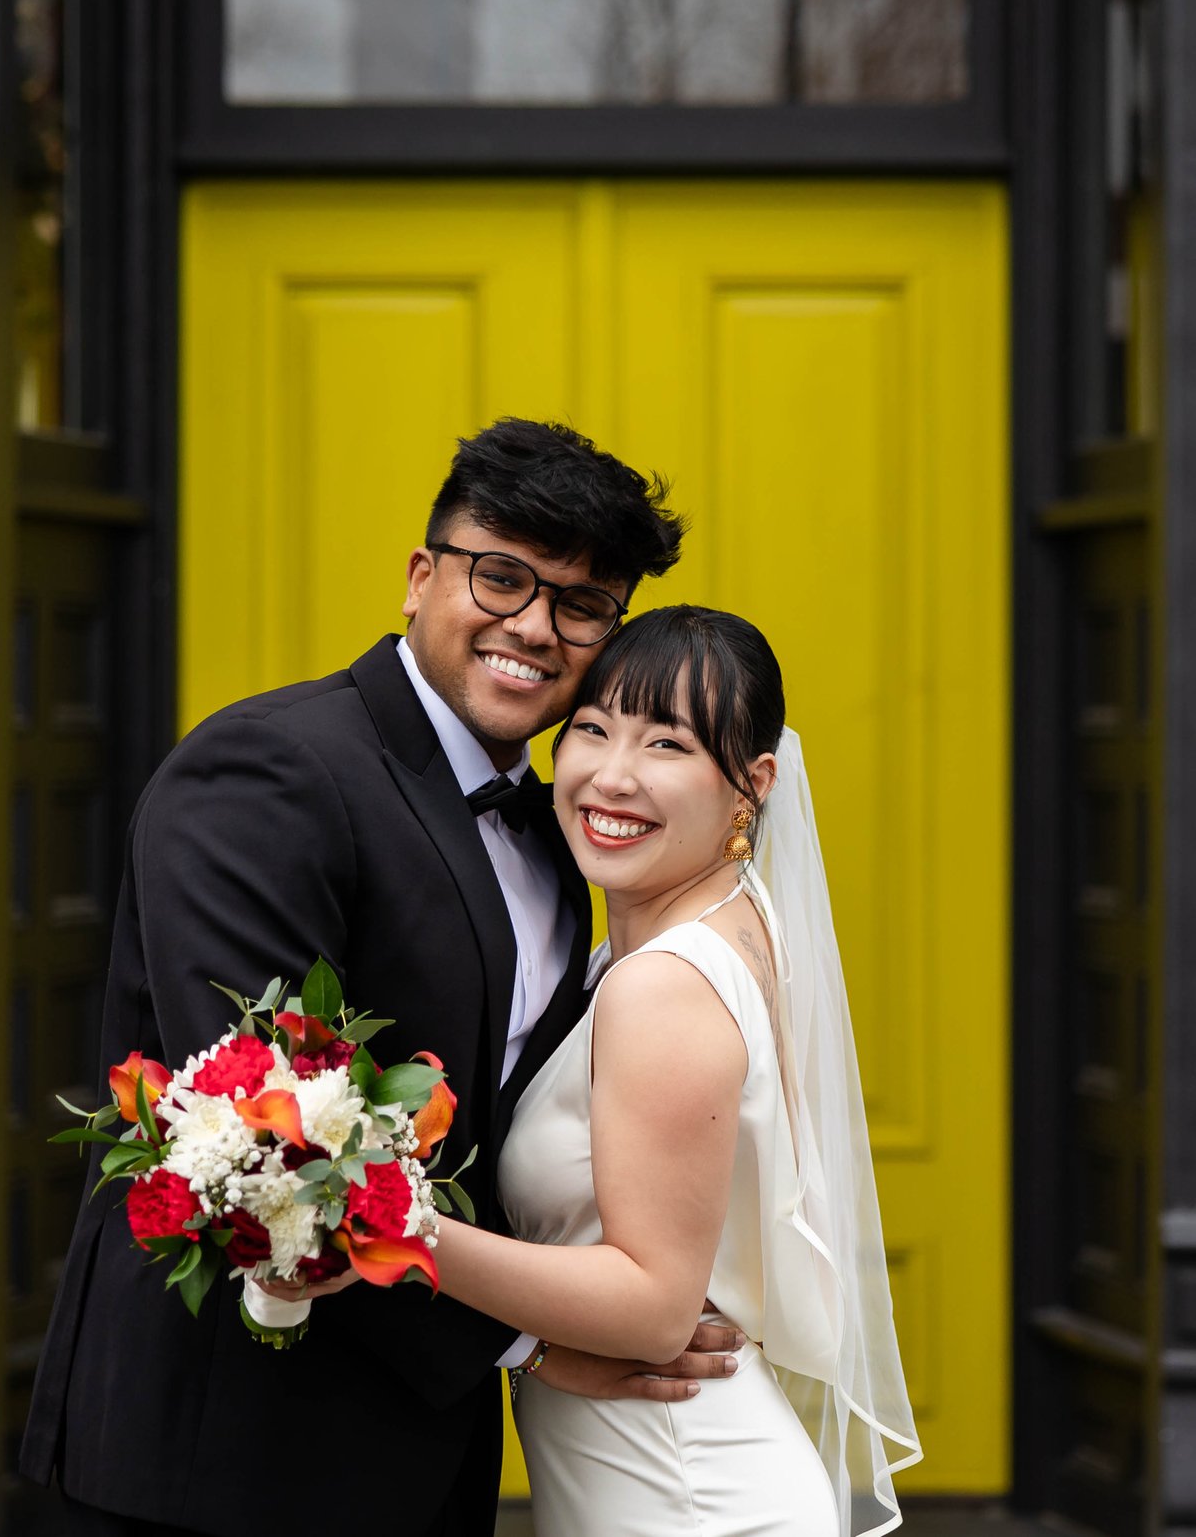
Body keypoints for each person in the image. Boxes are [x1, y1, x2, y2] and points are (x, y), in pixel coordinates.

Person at [19, 419, 745, 1537]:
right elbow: (262, 1139)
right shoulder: (269, 770)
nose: (534, 627)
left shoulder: (562, 828)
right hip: (223, 1455)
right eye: (501, 577)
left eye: (582, 603)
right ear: (420, 576)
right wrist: (533, 1339)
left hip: (422, 1454)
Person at [268, 605, 921, 1535]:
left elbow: (654, 1310)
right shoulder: (724, 924)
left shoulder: (662, 984)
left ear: (752, 784)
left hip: (686, 1494)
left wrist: (384, 1216)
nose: (613, 776)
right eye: (593, 729)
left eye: (667, 744)